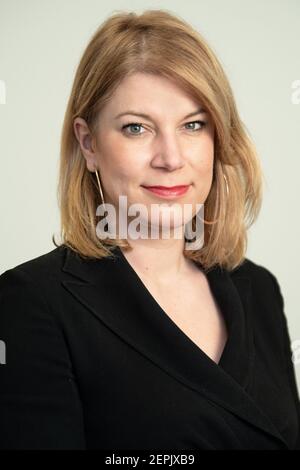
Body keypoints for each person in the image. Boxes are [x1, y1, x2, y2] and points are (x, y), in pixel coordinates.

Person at [0, 9, 299, 450]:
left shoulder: (258, 288)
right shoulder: (30, 302)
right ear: (89, 144)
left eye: (193, 125)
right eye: (137, 128)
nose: (171, 157)